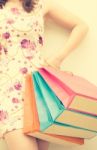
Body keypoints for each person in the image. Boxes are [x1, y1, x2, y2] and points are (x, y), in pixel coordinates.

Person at [0, 0, 89, 149]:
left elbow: (81, 26)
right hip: (7, 89)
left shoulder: (40, 4)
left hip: (39, 88)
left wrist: (57, 59)